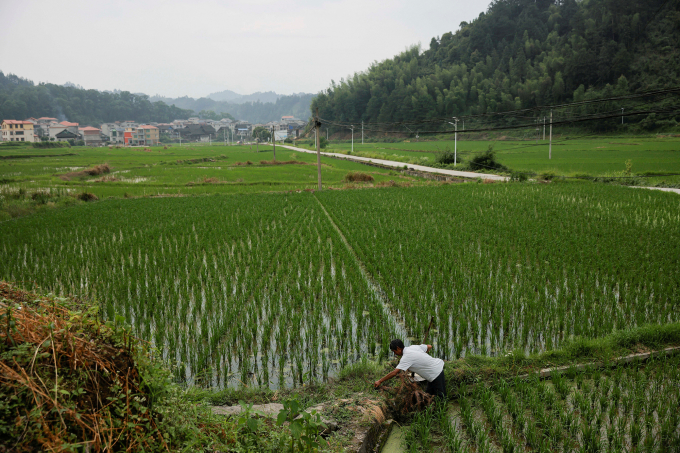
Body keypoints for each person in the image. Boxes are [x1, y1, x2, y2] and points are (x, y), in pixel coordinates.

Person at [373, 339, 446, 400]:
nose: (394, 354)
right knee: (428, 394)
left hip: (436, 372)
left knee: (441, 397)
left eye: (394, 351)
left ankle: (443, 413)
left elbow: (394, 373)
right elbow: (429, 346)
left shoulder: (406, 357)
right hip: (433, 372)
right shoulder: (413, 347)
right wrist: (421, 357)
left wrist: (380, 381)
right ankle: (432, 412)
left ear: (398, 348)